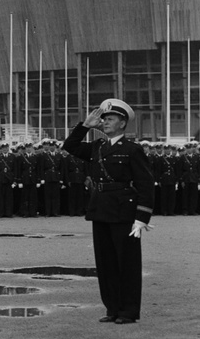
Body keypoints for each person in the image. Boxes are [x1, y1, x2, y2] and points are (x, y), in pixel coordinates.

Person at [63, 98, 154, 325]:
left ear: (123, 123)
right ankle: (112, 308)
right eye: (103, 119)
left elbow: (145, 184)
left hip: (124, 211)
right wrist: (85, 125)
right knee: (106, 264)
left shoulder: (132, 150)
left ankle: (128, 311)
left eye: (110, 119)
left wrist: (142, 218)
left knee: (127, 263)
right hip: (100, 209)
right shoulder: (97, 147)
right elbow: (70, 146)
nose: (105, 122)